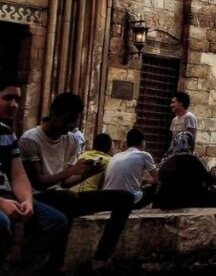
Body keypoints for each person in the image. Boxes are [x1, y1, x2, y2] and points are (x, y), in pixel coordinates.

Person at [19, 92, 135, 274]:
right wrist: (72, 170)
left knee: (125, 198)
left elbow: (65, 182)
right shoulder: (30, 139)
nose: (71, 126)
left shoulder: (71, 139)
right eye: (67, 120)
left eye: (74, 121)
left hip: (63, 196)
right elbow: (40, 183)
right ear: (54, 113)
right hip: (38, 198)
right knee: (66, 199)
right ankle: (55, 264)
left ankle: (99, 260)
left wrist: (87, 173)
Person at [0, 92, 67, 274]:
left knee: (55, 220)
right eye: (7, 98)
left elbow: (18, 176)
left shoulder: (7, 133)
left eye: (17, 100)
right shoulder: (30, 138)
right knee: (1, 222)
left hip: (7, 195)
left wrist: (27, 201)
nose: (14, 105)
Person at [154, 132, 216, 210]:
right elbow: (208, 180)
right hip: (188, 199)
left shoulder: (168, 160)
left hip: (166, 200)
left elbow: (160, 178)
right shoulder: (191, 159)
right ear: (191, 144)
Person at [103, 128, 158, 208]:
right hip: (129, 200)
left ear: (127, 143)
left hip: (108, 199)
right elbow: (157, 180)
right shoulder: (144, 155)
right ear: (142, 142)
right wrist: (146, 180)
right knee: (157, 187)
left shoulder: (116, 156)